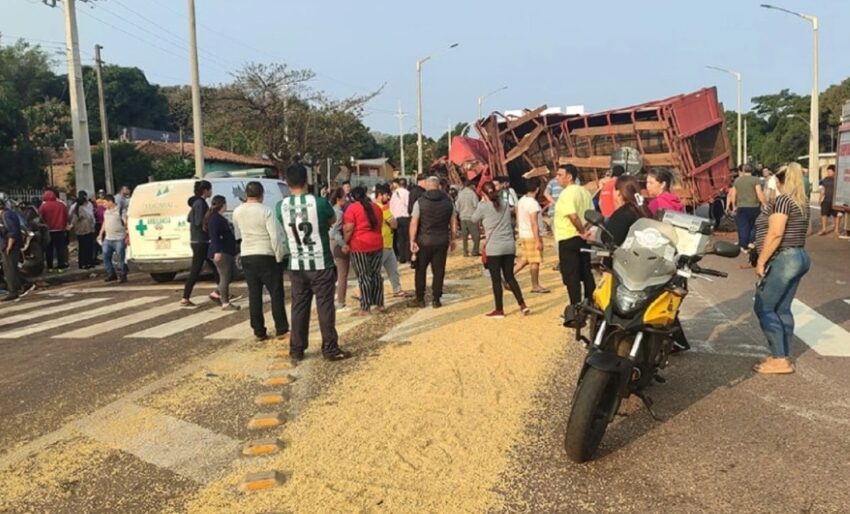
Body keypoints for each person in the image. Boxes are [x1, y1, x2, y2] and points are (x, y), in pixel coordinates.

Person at [278, 164, 349, 362]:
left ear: (287, 182)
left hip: (296, 263)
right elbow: (331, 221)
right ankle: (330, 348)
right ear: (306, 180)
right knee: (325, 307)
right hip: (320, 261)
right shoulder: (320, 203)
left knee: (299, 307)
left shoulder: (280, 206)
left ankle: (297, 349)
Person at [752, 163, 811, 374]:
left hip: (785, 258)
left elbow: (776, 233)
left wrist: (761, 261)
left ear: (778, 181)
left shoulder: (783, 200)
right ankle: (783, 354)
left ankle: (779, 359)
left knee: (764, 307)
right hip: (799, 256)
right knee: (782, 308)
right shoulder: (801, 202)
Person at [233, 181, 289, 341]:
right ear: (262, 195)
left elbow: (239, 232)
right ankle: (281, 328)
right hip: (265, 254)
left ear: (246, 194)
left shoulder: (237, 211)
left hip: (247, 254)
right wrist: (279, 256)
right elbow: (275, 236)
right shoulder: (266, 210)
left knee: (254, 294)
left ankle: (258, 330)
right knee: (276, 293)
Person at [473, 181, 529, 318]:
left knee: (496, 280)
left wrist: (482, 201)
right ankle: (522, 305)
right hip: (509, 245)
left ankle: (499, 309)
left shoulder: (483, 207)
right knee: (510, 277)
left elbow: (473, 219)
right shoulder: (504, 205)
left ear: (483, 193)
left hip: (494, 248)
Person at [554, 164, 595, 327]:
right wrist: (585, 231)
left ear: (569, 176)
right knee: (586, 272)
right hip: (582, 238)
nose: (557, 178)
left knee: (572, 276)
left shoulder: (567, 194)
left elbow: (572, 215)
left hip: (569, 236)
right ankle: (591, 304)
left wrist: (580, 230)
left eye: (560, 174)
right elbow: (591, 214)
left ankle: (575, 309)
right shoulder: (584, 192)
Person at [409, 176, 457, 308]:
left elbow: (414, 223)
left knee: (420, 270)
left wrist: (412, 240)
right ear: (439, 186)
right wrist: (453, 238)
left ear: (426, 186)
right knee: (439, 270)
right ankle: (436, 299)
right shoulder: (448, 202)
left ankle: (420, 298)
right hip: (441, 240)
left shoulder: (420, 202)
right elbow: (453, 222)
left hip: (423, 241)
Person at [342, 186, 384, 315]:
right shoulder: (376, 207)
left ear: (353, 197)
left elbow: (348, 228)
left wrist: (345, 242)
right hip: (377, 243)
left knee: (364, 276)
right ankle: (379, 304)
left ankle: (365, 307)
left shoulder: (352, 208)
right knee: (376, 275)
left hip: (360, 244)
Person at [181, 180, 220, 307]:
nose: (211, 192)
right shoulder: (200, 203)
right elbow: (197, 221)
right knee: (197, 269)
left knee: (214, 267)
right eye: (210, 189)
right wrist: (208, 215)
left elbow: (189, 218)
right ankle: (185, 297)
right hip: (201, 241)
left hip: (199, 240)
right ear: (205, 191)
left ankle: (221, 291)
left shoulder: (198, 203)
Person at [205, 195, 240, 311]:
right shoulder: (215, 219)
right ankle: (225, 302)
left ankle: (217, 292)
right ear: (223, 204)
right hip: (221, 251)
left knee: (232, 274)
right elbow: (214, 236)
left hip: (227, 250)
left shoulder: (218, 217)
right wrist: (217, 251)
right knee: (225, 276)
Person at [514, 177, 548, 293]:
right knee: (535, 261)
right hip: (531, 235)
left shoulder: (522, 200)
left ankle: (509, 275)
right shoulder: (533, 203)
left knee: (526, 258)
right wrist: (538, 239)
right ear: (537, 189)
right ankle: (535, 285)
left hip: (524, 233)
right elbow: (534, 223)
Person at [375, 183, 409, 298]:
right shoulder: (383, 208)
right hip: (383, 243)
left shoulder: (372, 206)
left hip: (386, 243)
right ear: (380, 195)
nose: (388, 197)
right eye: (386, 195)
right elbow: (394, 224)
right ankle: (369, 293)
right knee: (376, 271)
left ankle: (397, 289)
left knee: (392, 268)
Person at [1, 200, 35, 301]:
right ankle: (25, 284)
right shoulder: (9, 213)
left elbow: (12, 232)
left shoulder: (5, 216)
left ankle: (13, 291)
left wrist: (9, 246)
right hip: (7, 245)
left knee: (9, 269)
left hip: (9, 246)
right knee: (10, 268)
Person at [727, 164, 765, 249]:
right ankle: (751, 241)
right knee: (754, 225)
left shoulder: (737, 181)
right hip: (754, 206)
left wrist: (734, 205)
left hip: (741, 206)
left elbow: (733, 194)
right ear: (752, 171)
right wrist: (764, 203)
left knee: (743, 225)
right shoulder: (756, 180)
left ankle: (743, 244)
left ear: (743, 171)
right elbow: (759, 193)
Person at [97, 194, 128, 283]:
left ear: (110, 201)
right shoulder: (106, 212)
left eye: (105, 202)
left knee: (120, 257)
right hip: (108, 238)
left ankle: (122, 274)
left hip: (119, 238)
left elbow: (125, 222)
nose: (103, 204)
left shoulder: (120, 210)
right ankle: (111, 273)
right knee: (106, 256)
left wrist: (127, 232)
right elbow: (105, 222)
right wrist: (100, 233)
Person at [328, 187, 350, 310]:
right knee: (343, 273)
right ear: (338, 199)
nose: (346, 199)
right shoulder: (339, 212)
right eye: (344, 197)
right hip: (337, 242)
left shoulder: (332, 210)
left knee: (335, 273)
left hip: (331, 242)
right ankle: (341, 301)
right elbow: (336, 230)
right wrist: (343, 244)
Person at [38, 189, 68, 272]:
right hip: (60, 230)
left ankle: (50, 267)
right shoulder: (61, 205)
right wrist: (64, 225)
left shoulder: (43, 206)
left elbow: (39, 218)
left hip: (48, 231)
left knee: (49, 249)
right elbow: (66, 216)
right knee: (60, 249)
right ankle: (60, 266)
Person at [68, 194, 96, 270]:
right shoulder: (79, 210)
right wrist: (70, 226)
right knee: (84, 248)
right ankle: (84, 263)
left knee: (88, 247)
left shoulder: (83, 209)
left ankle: (89, 262)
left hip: (88, 230)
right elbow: (74, 220)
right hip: (83, 231)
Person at [455, 180, 480, 257]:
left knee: (465, 236)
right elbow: (476, 205)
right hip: (471, 217)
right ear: (470, 186)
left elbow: (457, 207)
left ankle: (465, 252)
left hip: (462, 217)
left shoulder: (460, 194)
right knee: (476, 236)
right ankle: (475, 251)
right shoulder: (472, 194)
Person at [390, 178, 411, 263]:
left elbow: (391, 207)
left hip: (396, 218)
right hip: (405, 217)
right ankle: (408, 257)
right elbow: (409, 205)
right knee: (407, 238)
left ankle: (401, 257)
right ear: (406, 184)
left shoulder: (394, 194)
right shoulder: (407, 193)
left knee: (400, 239)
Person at [817, 164, 842, 237]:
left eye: (830, 171)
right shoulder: (825, 179)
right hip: (826, 200)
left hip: (836, 201)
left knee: (837, 215)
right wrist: (820, 199)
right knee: (823, 214)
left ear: (834, 172)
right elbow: (822, 190)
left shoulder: (838, 179)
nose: (828, 173)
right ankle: (824, 229)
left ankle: (836, 230)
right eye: (827, 171)